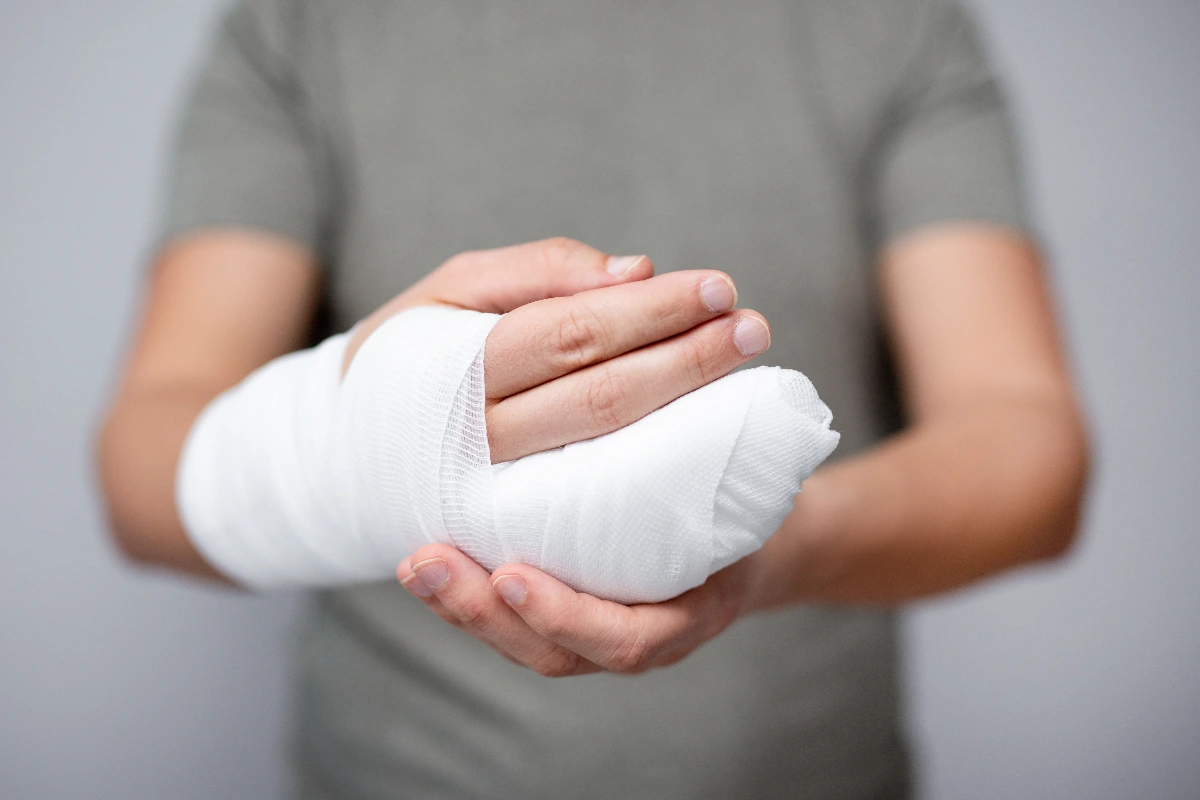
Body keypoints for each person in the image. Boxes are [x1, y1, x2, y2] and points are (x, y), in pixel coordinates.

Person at [96, 0, 1090, 796]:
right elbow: (141, 467)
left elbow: (1029, 446)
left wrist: (769, 546)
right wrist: (375, 417)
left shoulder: (892, 21)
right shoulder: (303, 23)